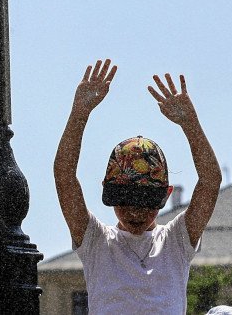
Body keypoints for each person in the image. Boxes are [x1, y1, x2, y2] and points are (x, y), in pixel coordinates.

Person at [53, 58, 222, 314]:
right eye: (125, 202)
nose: (135, 213)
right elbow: (64, 176)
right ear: (107, 190)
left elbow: (210, 181)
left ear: (166, 194)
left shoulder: (175, 241)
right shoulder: (97, 242)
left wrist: (190, 124)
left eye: (145, 204)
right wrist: (79, 113)